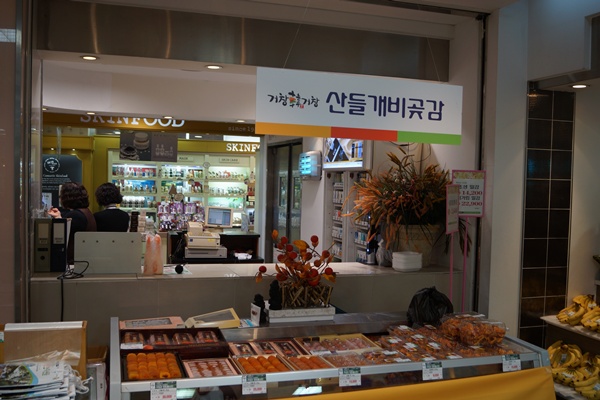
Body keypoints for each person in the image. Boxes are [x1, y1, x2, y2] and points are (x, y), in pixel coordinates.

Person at [48, 182, 97, 263]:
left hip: (74, 261)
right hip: (83, 259)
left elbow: (63, 234)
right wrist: (59, 217)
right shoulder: (86, 212)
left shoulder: (75, 215)